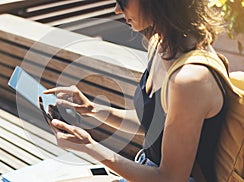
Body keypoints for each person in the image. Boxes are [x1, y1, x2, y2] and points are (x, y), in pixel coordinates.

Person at [42, 0, 226, 181]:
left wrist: (88, 146)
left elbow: (171, 178)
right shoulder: (160, 44)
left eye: (123, 1)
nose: (116, 9)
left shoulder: (190, 79)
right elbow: (153, 123)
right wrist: (93, 109)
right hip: (145, 167)